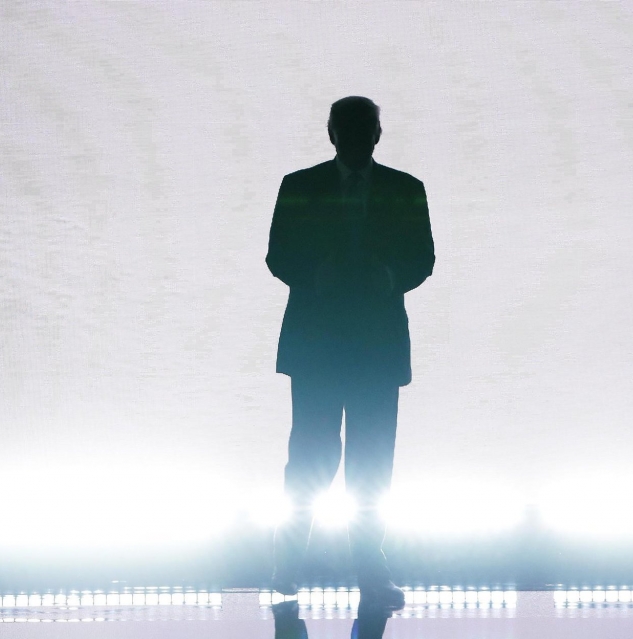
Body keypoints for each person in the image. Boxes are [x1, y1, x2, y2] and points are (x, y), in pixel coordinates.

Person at [265, 96, 435, 612]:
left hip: (328, 345)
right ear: (339, 134)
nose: (360, 139)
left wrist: (325, 276)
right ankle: (352, 569)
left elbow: (421, 259)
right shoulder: (403, 190)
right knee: (347, 458)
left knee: (347, 459)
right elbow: (279, 255)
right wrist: (381, 276)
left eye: (363, 130)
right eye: (354, 130)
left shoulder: (303, 187)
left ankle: (298, 565)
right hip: (364, 346)